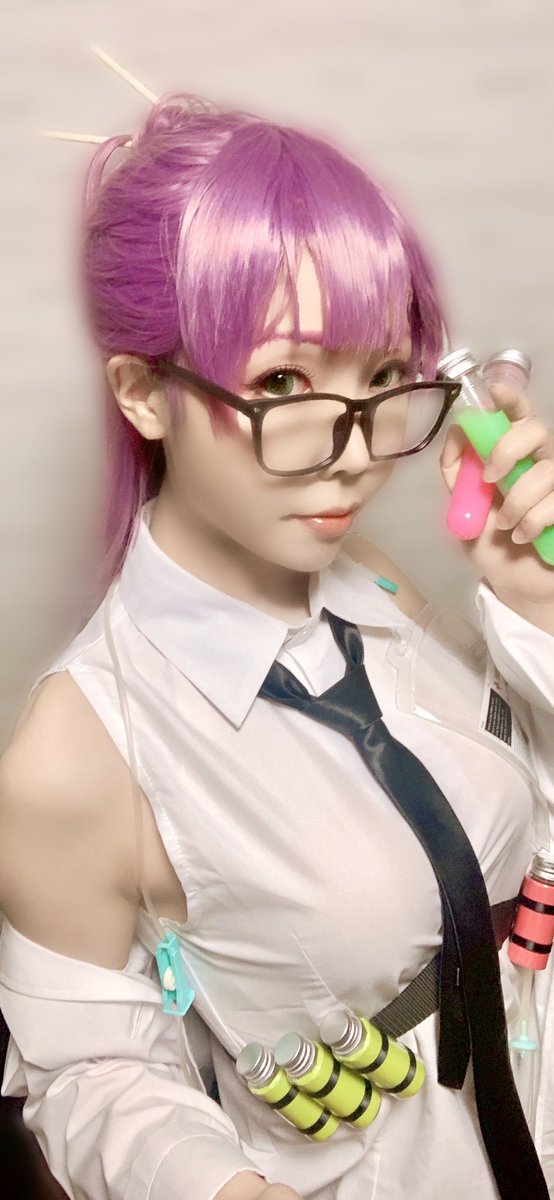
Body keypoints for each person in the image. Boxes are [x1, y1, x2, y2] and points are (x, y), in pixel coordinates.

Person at [1, 90, 554, 1200]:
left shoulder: (380, 587)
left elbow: (517, 824)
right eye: (285, 383)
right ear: (143, 393)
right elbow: (90, 1069)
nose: (356, 454)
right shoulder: (77, 751)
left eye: (380, 377)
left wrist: (534, 618)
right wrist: (216, 1188)